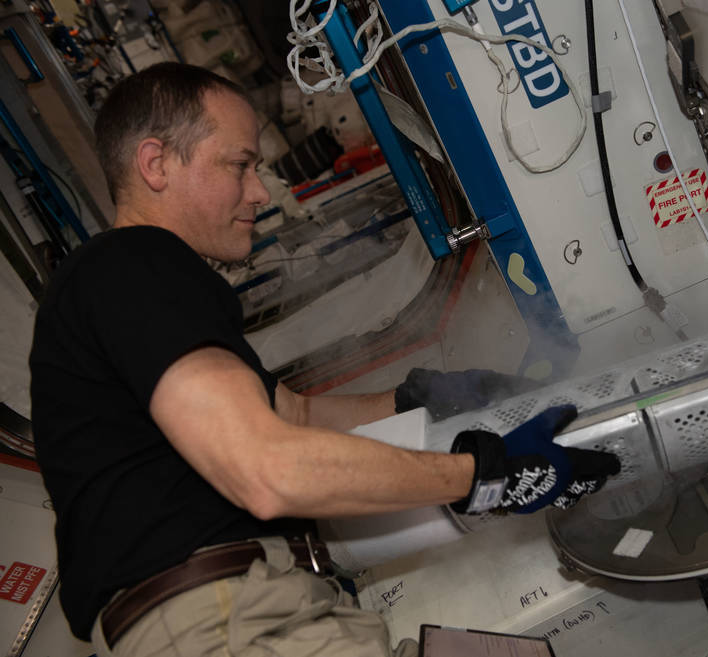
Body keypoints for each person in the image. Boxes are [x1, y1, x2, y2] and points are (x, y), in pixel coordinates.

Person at [29, 62, 619, 657]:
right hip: (224, 624)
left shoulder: (132, 290)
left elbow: (294, 417)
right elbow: (270, 468)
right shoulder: (132, 265)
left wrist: (420, 396)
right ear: (156, 164)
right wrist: (485, 475)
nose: (260, 192)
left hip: (246, 613)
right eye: (240, 165)